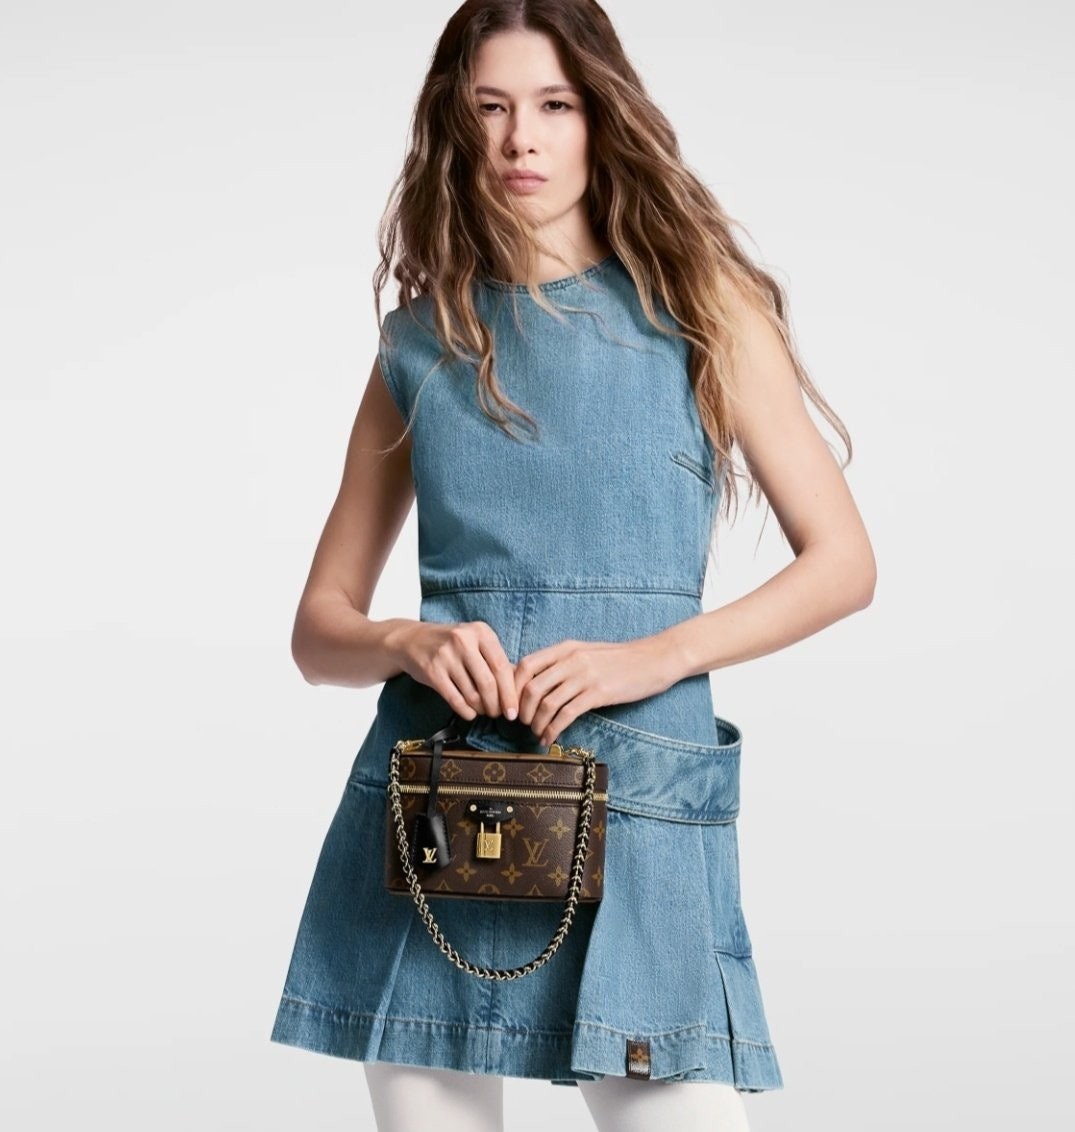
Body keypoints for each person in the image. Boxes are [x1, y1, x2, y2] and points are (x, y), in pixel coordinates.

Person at [269, 2, 876, 1130]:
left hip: (640, 798)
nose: (521, 139)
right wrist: (408, 640)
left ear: (602, 117)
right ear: (455, 126)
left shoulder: (702, 313)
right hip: (441, 813)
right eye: (490, 107)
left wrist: (652, 656)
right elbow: (318, 632)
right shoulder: (419, 341)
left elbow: (842, 563)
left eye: (554, 105)